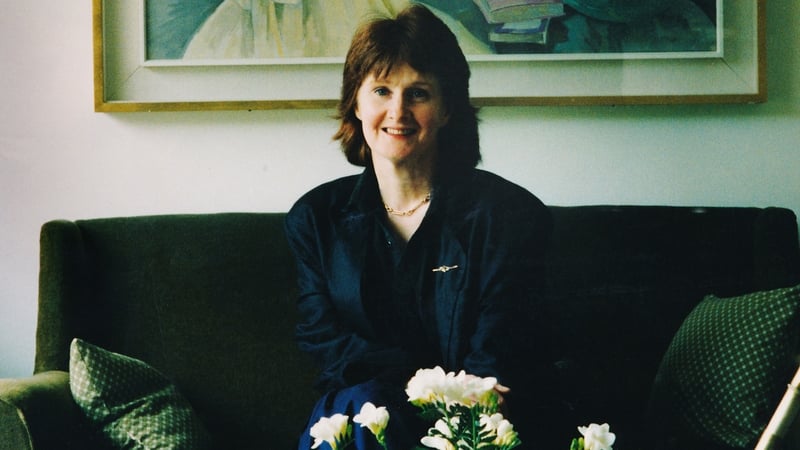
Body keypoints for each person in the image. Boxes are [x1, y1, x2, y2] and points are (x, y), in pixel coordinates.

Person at [284, 5, 553, 449]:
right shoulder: (315, 219)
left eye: (419, 93)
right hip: (361, 415)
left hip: (477, 417)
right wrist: (418, 388)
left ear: (448, 109)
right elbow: (324, 340)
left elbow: (502, 342)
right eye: (382, 91)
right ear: (356, 102)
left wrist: (447, 400)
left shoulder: (509, 215)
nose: (398, 111)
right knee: (367, 406)